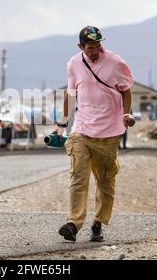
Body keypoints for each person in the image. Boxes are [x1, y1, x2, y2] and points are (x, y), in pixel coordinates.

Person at [54, 26, 135, 242]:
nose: (95, 50)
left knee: (105, 181)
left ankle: (98, 222)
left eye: (98, 46)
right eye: (90, 47)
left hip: (108, 133)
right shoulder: (73, 64)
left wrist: (126, 113)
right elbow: (71, 94)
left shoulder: (116, 62)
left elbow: (126, 89)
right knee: (78, 177)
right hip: (81, 129)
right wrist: (61, 125)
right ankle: (73, 223)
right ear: (81, 46)